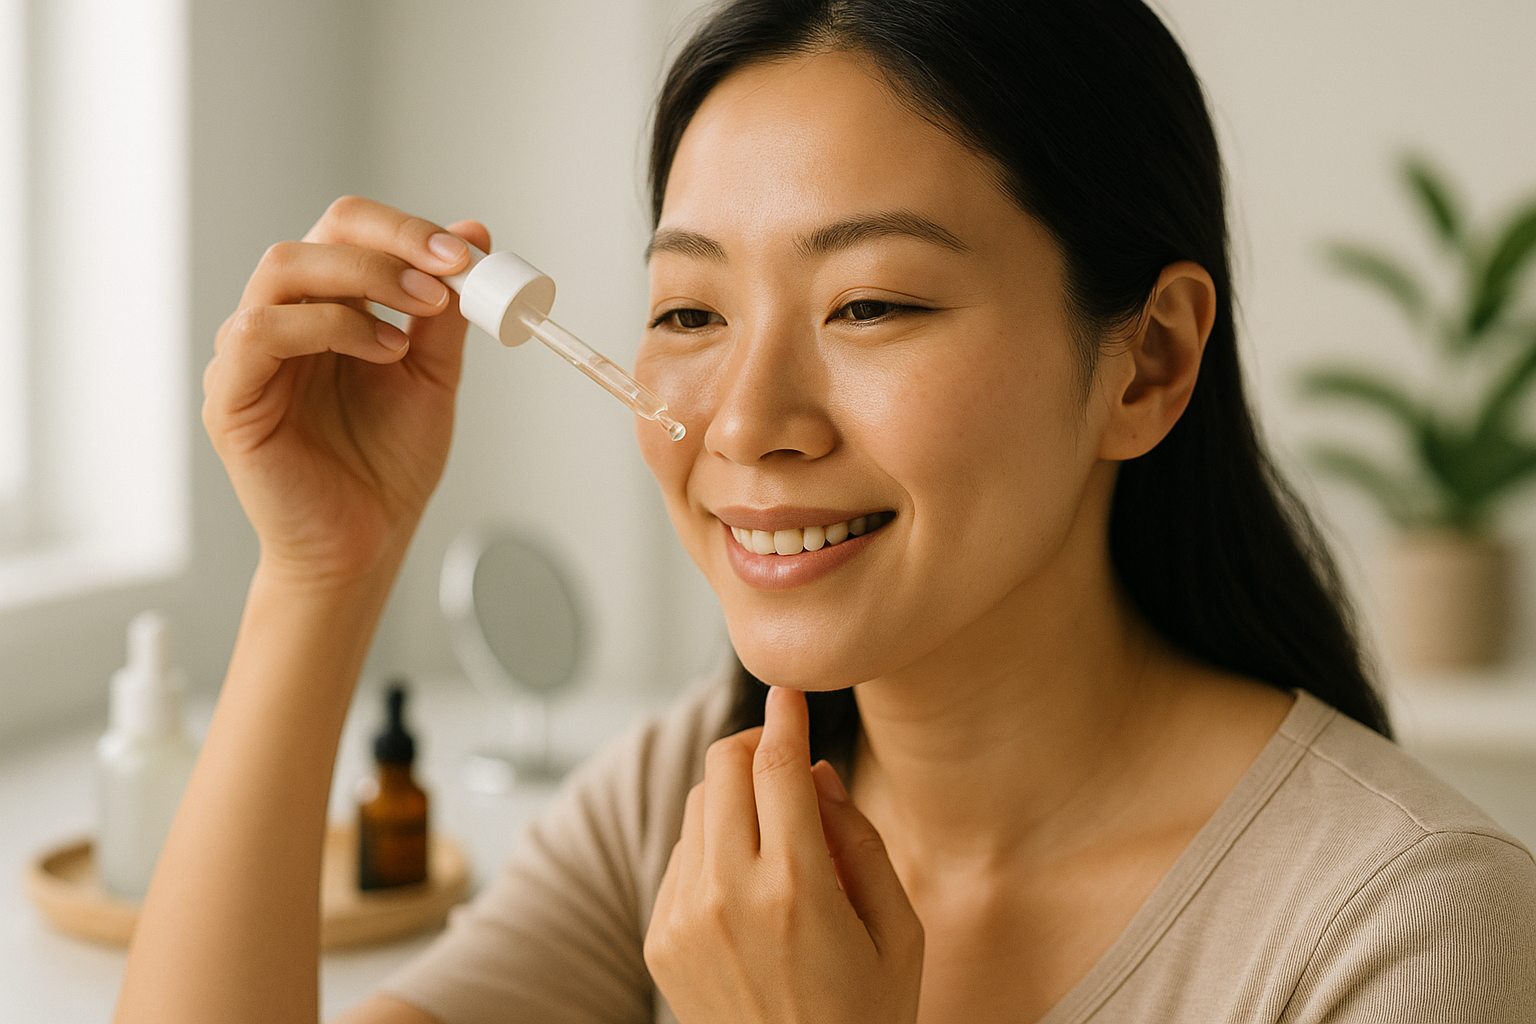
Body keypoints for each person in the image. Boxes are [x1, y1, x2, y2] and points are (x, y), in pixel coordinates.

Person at [115, 1, 1536, 1022]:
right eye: (688, 308)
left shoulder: (1403, 938)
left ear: (1147, 362)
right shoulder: (689, 800)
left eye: (871, 304)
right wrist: (321, 569)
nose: (741, 423)